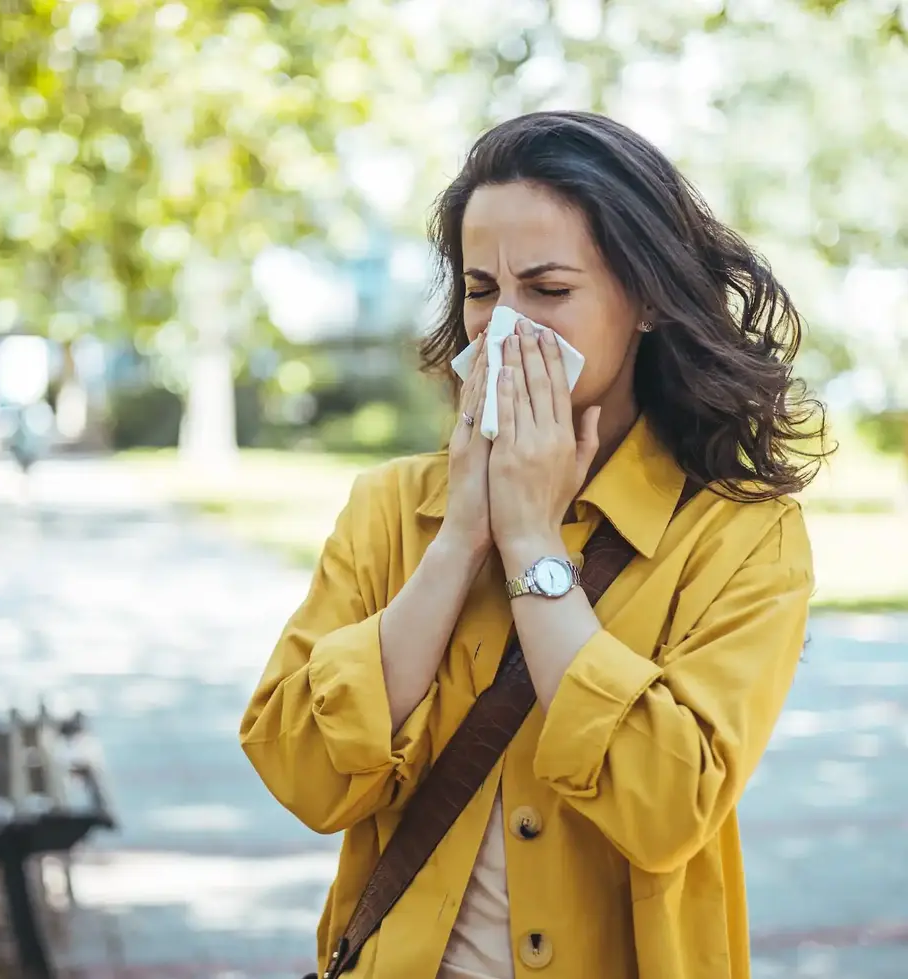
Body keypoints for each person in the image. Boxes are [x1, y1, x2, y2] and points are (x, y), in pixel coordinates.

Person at [239, 111, 826, 979]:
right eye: (482, 290)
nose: (503, 328)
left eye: (548, 291)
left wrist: (530, 542)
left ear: (649, 300)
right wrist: (462, 539)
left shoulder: (741, 535)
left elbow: (670, 807)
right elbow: (303, 771)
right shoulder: (392, 508)